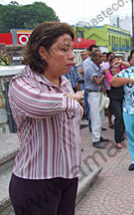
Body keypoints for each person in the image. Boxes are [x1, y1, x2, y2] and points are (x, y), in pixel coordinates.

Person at [8, 22, 84, 215]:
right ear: (42, 52)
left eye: (72, 49)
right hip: (36, 180)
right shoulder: (22, 83)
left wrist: (72, 100)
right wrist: (71, 99)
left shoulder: (65, 82)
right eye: (63, 49)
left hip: (68, 175)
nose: (71, 56)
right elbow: (38, 104)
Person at [84, 49, 109, 149]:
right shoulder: (90, 68)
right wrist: (104, 75)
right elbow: (97, 82)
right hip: (93, 93)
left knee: (101, 115)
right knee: (95, 117)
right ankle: (95, 139)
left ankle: (99, 135)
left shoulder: (98, 67)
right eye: (99, 56)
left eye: (102, 56)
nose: (101, 58)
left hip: (99, 93)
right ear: (94, 57)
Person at [106, 56, 125, 149]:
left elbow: (130, 66)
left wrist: (121, 64)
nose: (117, 63)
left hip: (123, 96)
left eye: (118, 62)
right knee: (118, 116)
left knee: (124, 116)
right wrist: (115, 73)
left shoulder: (123, 70)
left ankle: (123, 132)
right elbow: (112, 82)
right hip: (114, 97)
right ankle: (118, 140)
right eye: (114, 62)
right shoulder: (108, 72)